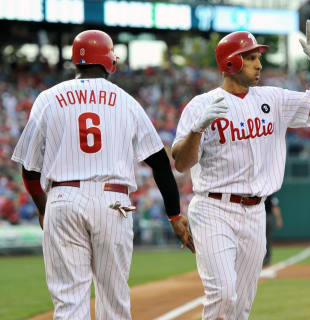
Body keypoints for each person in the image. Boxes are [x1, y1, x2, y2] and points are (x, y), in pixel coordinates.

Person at [11, 30, 194, 319]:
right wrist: (174, 214)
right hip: (113, 202)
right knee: (114, 302)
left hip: (63, 197)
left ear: (75, 62)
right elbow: (160, 163)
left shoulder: (48, 99)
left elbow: (29, 168)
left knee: (69, 303)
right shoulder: (126, 102)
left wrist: (42, 207)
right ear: (111, 62)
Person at [172, 16, 310, 320]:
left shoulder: (273, 99)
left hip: (255, 212)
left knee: (241, 307)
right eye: (250, 57)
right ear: (231, 62)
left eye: (258, 57)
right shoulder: (200, 105)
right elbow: (181, 163)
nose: (259, 64)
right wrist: (197, 129)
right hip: (214, 209)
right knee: (223, 295)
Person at [263, 194, 283, 267]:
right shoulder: (270, 193)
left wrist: (278, 219)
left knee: (266, 240)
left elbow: (275, 206)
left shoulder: (266, 193)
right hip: (264, 217)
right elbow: (275, 206)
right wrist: (279, 219)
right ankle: (266, 259)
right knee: (266, 240)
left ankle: (266, 259)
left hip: (264, 217)